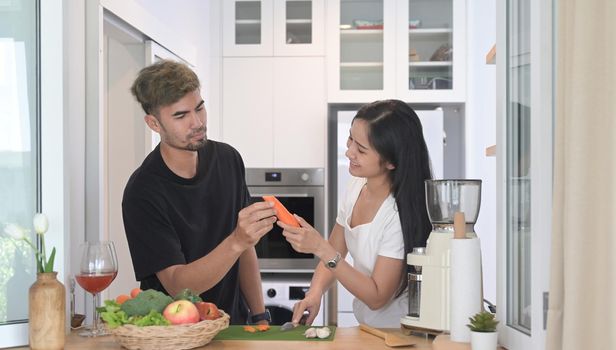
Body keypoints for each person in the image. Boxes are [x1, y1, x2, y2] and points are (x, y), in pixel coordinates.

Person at [122, 60, 277, 325]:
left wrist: (260, 314)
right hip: (173, 336)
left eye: (200, 108)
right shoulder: (142, 192)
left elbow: (245, 248)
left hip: (232, 326)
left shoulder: (228, 159)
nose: (197, 122)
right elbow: (177, 285)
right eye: (181, 116)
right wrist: (237, 240)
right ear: (154, 123)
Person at [278, 99, 433, 328]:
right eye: (351, 139)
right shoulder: (356, 186)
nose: (349, 152)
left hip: (400, 333)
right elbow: (336, 247)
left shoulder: (397, 216)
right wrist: (315, 292)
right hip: (368, 328)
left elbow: (377, 297)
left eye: (361, 149)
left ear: (391, 161)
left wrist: (320, 248)